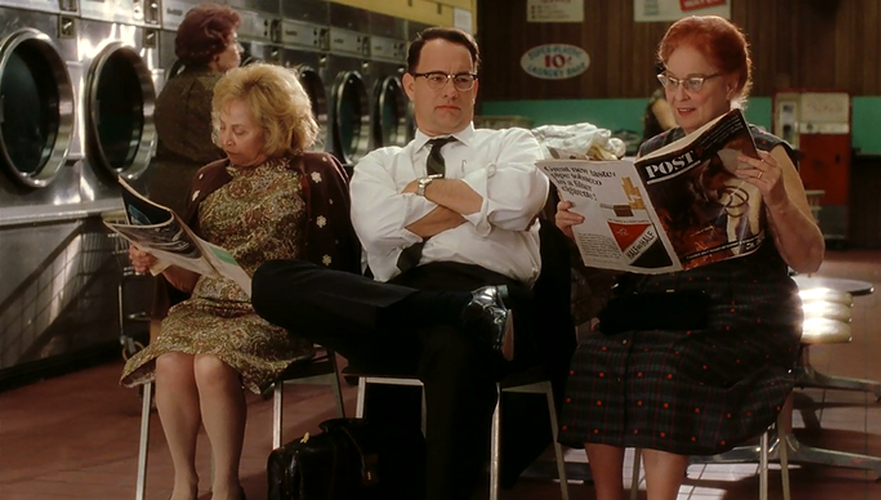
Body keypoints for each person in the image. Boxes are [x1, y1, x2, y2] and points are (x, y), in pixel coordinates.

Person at [250, 27, 567, 500]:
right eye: (436, 77)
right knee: (270, 280)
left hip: (496, 297)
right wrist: (477, 202)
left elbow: (519, 202)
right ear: (410, 85)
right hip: (398, 303)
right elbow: (377, 228)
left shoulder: (512, 144)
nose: (450, 89)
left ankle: (465, 315)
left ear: (476, 86)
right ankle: (460, 310)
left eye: (462, 78)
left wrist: (422, 189)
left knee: (454, 348)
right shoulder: (380, 162)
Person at [554, 15, 825, 500]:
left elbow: (809, 259)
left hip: (742, 310)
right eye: (670, 79)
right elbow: (630, 257)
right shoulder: (654, 150)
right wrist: (582, 231)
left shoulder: (767, 153)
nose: (679, 95)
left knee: (666, 365)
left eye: (694, 82)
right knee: (594, 356)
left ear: (732, 84)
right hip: (665, 304)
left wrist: (778, 200)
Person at [120, 63, 358, 500]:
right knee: (170, 361)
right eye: (222, 128)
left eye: (239, 131)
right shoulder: (209, 177)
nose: (225, 140)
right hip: (206, 306)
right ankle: (184, 482)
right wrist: (158, 258)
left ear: (275, 129)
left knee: (211, 364)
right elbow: (188, 279)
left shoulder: (313, 170)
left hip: (274, 308)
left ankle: (226, 486)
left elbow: (339, 260)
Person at [150, 4, 242, 214]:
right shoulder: (225, 91)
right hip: (210, 193)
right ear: (215, 52)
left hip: (165, 192)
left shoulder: (170, 87)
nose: (240, 50)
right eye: (234, 42)